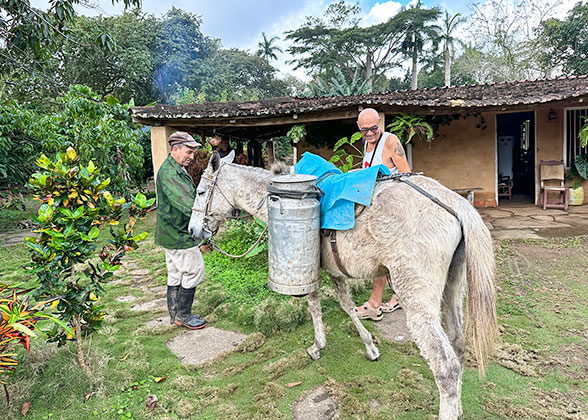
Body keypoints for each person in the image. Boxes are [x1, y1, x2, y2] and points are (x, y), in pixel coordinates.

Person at [354, 108, 411, 321]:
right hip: (375, 208)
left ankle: (374, 304)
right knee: (391, 259)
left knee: (379, 256)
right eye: (364, 130)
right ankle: (399, 296)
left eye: (373, 128)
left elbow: (407, 176)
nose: (369, 133)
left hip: (392, 210)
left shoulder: (390, 141)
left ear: (380, 122)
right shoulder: (366, 144)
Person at [155, 131, 206, 330]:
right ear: (175, 149)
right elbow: (186, 205)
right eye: (189, 152)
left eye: (193, 153)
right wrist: (205, 221)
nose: (192, 157)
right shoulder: (169, 173)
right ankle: (184, 316)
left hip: (171, 231)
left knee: (176, 273)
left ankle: (176, 315)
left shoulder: (177, 168)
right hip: (178, 233)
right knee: (194, 270)